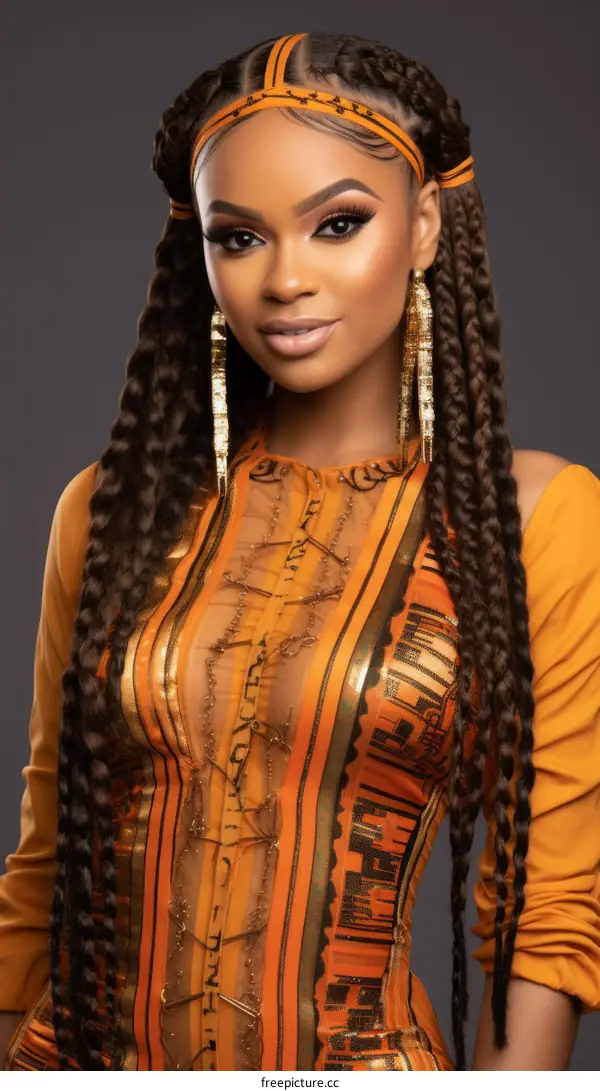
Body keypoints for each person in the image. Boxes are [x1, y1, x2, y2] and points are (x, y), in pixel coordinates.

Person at [1, 29, 599, 1073]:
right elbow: (45, 866)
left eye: (336, 224)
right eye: (239, 237)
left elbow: (543, 919)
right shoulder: (111, 509)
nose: (284, 278)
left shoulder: (535, 515)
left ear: (420, 229)